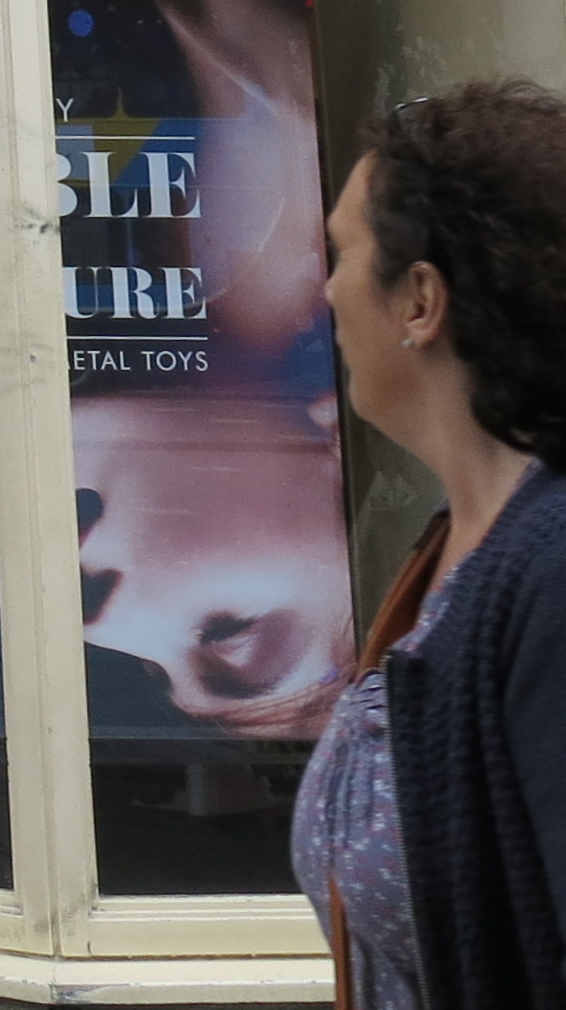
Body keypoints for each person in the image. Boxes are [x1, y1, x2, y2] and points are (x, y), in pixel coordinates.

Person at [292, 81, 566, 1008]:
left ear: (419, 300)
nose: (327, 288)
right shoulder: (456, 549)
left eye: (342, 253)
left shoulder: (551, 572)